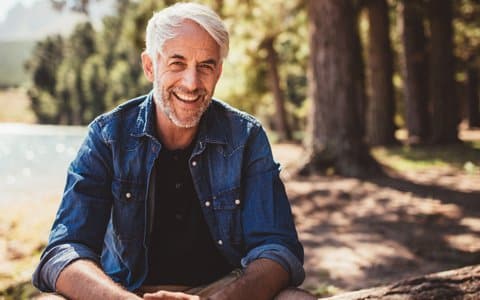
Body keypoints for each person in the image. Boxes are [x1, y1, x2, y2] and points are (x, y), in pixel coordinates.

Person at [32, 2, 314, 299]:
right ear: (150, 66)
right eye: (177, 63)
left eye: (205, 65)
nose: (191, 83)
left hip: (224, 291)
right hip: (125, 291)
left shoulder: (246, 137)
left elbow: (277, 248)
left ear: (218, 71)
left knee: (295, 298)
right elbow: (63, 251)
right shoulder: (108, 136)